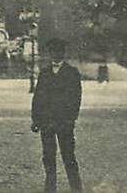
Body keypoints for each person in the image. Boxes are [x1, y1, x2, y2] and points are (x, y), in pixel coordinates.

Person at [31, 38, 83, 193]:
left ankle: (76, 188)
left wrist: (71, 119)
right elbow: (38, 98)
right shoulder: (44, 73)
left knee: (68, 156)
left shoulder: (72, 73)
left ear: (63, 53)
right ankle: (50, 189)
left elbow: (76, 99)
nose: (56, 54)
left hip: (64, 122)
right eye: (53, 51)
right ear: (50, 53)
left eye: (59, 51)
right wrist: (35, 119)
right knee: (48, 157)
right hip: (46, 122)